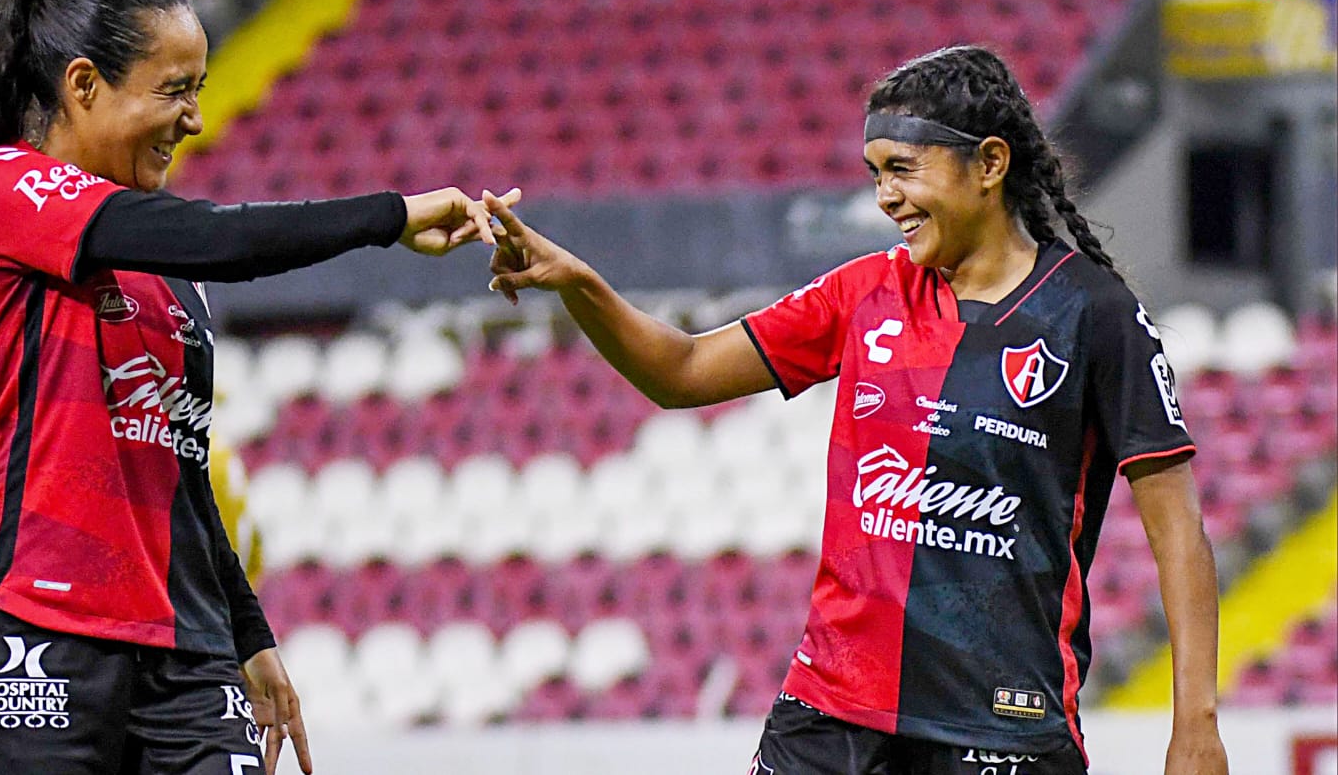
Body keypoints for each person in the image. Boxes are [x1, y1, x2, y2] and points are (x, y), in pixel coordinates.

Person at [482, 46, 1228, 775]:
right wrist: (578, 283)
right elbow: (681, 371)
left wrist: (1194, 726)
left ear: (991, 165)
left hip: (1002, 729)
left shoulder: (1093, 315)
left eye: (903, 170)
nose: (885, 197)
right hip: (829, 715)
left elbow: (1178, 532)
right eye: (875, 174)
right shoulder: (864, 293)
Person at [0, 0, 517, 775]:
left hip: (187, 653)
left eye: (200, 89)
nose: (195, 119)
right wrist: (391, 215)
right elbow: (223, 237)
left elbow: (182, 471)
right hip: (32, 632)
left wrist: (249, 635)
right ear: (84, 85)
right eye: (174, 90)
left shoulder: (173, 278)